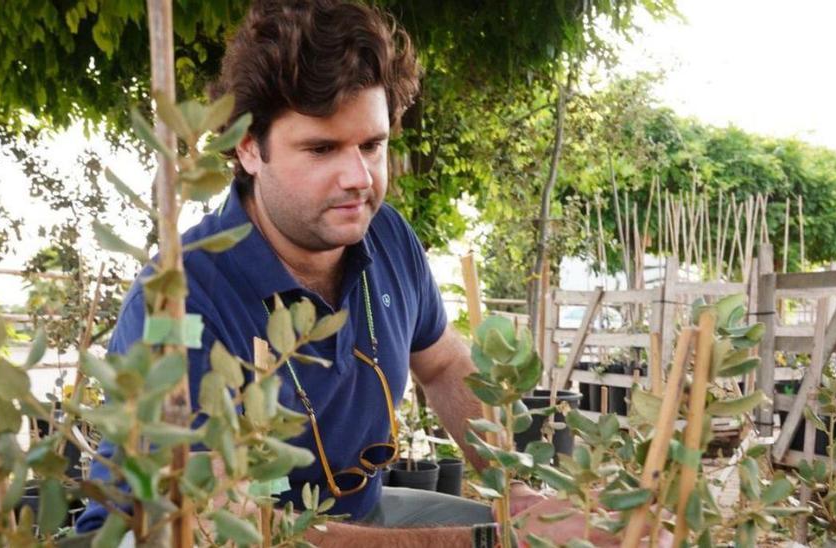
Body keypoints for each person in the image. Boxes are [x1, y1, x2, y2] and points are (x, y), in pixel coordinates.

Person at [77, 1, 627, 545]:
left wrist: (516, 492)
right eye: (321, 149)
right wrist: (497, 540)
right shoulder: (179, 299)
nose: (359, 177)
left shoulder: (386, 237)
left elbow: (442, 364)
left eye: (372, 144)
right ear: (248, 148)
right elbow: (221, 528)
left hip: (354, 521)